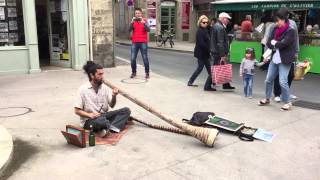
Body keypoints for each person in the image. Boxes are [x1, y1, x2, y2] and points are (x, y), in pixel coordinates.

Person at [75, 61, 131, 137]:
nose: (102, 77)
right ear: (92, 75)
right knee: (101, 121)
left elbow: (112, 105)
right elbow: (77, 111)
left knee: (126, 110)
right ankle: (111, 126)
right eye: (99, 74)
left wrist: (114, 96)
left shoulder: (105, 88)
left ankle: (108, 128)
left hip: (103, 115)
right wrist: (90, 115)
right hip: (89, 120)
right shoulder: (82, 89)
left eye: (103, 74)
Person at [259, 9, 297, 110]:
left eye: (278, 20)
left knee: (282, 81)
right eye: (276, 20)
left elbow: (284, 44)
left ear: (284, 19)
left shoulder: (291, 30)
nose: (276, 23)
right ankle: (267, 99)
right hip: (275, 58)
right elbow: (268, 42)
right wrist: (275, 43)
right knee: (268, 79)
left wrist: (275, 42)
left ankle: (287, 102)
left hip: (285, 59)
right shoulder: (274, 28)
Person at [207, 12, 235, 91]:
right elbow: (220, 42)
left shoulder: (217, 26)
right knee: (215, 69)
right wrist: (222, 55)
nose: (228, 21)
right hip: (218, 52)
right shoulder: (220, 27)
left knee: (224, 67)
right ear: (223, 18)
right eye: (227, 19)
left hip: (216, 51)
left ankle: (226, 84)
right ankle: (207, 86)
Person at [187, 15, 211, 87]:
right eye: (204, 22)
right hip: (201, 53)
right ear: (200, 22)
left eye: (207, 22)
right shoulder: (200, 31)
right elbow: (201, 44)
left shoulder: (205, 30)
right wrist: (209, 49)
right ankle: (190, 81)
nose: (206, 23)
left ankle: (212, 81)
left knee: (209, 68)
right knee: (200, 68)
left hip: (205, 53)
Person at [129, 8, 150, 79]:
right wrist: (131, 22)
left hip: (143, 42)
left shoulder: (145, 21)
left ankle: (147, 73)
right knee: (132, 58)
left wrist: (144, 23)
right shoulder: (133, 21)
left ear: (141, 14)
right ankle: (134, 72)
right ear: (135, 14)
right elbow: (129, 30)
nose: (137, 14)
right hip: (135, 42)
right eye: (136, 13)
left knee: (145, 58)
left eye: (138, 13)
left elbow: (148, 30)